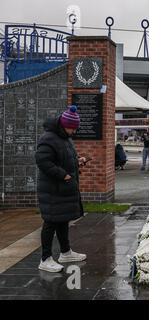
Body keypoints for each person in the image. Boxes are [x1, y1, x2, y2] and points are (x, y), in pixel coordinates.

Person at [35, 105, 88, 273]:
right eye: (72, 128)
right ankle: (45, 259)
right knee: (50, 222)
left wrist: (78, 160)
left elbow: (63, 158)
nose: (74, 132)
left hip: (63, 189)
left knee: (63, 220)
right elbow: (43, 161)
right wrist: (63, 175)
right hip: (53, 189)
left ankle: (65, 253)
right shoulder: (48, 138)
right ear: (64, 125)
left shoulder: (64, 137)